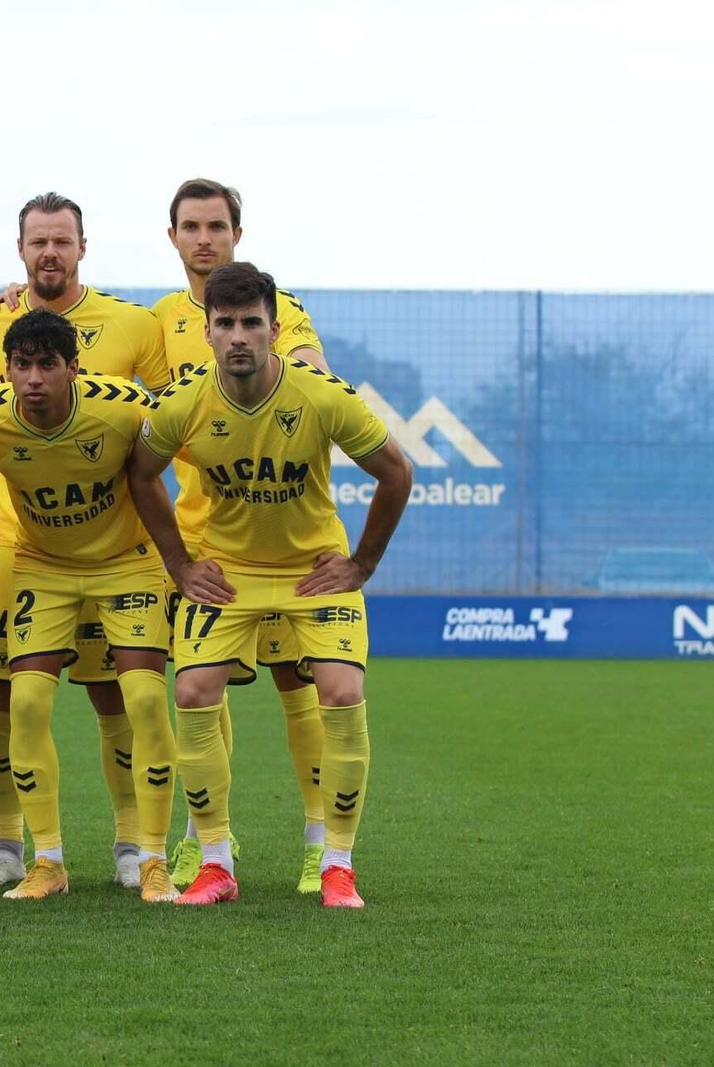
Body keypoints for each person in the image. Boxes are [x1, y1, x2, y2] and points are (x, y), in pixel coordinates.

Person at [127, 262, 412, 908]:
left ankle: (337, 862)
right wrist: (179, 564)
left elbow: (396, 471)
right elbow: (142, 474)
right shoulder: (185, 400)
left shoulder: (319, 394)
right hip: (229, 575)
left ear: (274, 329)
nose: (237, 336)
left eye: (250, 323)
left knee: (340, 691)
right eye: (224, 323)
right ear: (206, 331)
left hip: (315, 571)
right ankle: (215, 862)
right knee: (193, 689)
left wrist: (361, 564)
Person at [0, 192, 172, 891]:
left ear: (82, 246)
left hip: (117, 543)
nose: (49, 252)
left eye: (61, 240)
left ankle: (131, 844)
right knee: (8, 690)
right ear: (20, 250)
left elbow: (169, 424)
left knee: (117, 691)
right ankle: (11, 843)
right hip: (21, 539)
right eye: (37, 242)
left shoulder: (131, 323)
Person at [153, 178, 334, 891]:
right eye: (191, 225)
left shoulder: (278, 309)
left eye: (217, 225)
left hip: (284, 541)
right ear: (172, 237)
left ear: (237, 232)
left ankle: (321, 841)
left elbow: (316, 377)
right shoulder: (160, 319)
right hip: (205, 542)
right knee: (204, 688)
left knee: (303, 683)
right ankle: (206, 842)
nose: (205, 237)